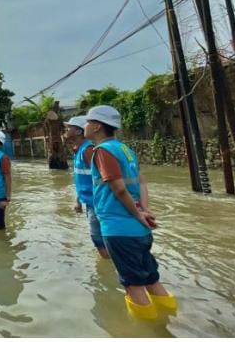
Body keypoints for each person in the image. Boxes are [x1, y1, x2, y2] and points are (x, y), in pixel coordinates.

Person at [84, 105, 176, 320]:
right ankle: (173, 319)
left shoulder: (102, 151)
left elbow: (118, 188)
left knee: (133, 286)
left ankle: (152, 330)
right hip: (140, 230)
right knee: (152, 279)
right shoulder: (124, 149)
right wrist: (144, 211)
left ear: (97, 126)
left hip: (119, 229)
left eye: (88, 122)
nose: (85, 126)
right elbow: (141, 181)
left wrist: (137, 214)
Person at [64, 115, 109, 259]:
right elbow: (82, 178)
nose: (66, 130)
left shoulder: (88, 150)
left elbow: (103, 176)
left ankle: (111, 263)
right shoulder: (79, 150)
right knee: (98, 237)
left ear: (78, 132)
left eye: (69, 128)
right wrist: (78, 200)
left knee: (98, 237)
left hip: (97, 202)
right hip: (90, 202)